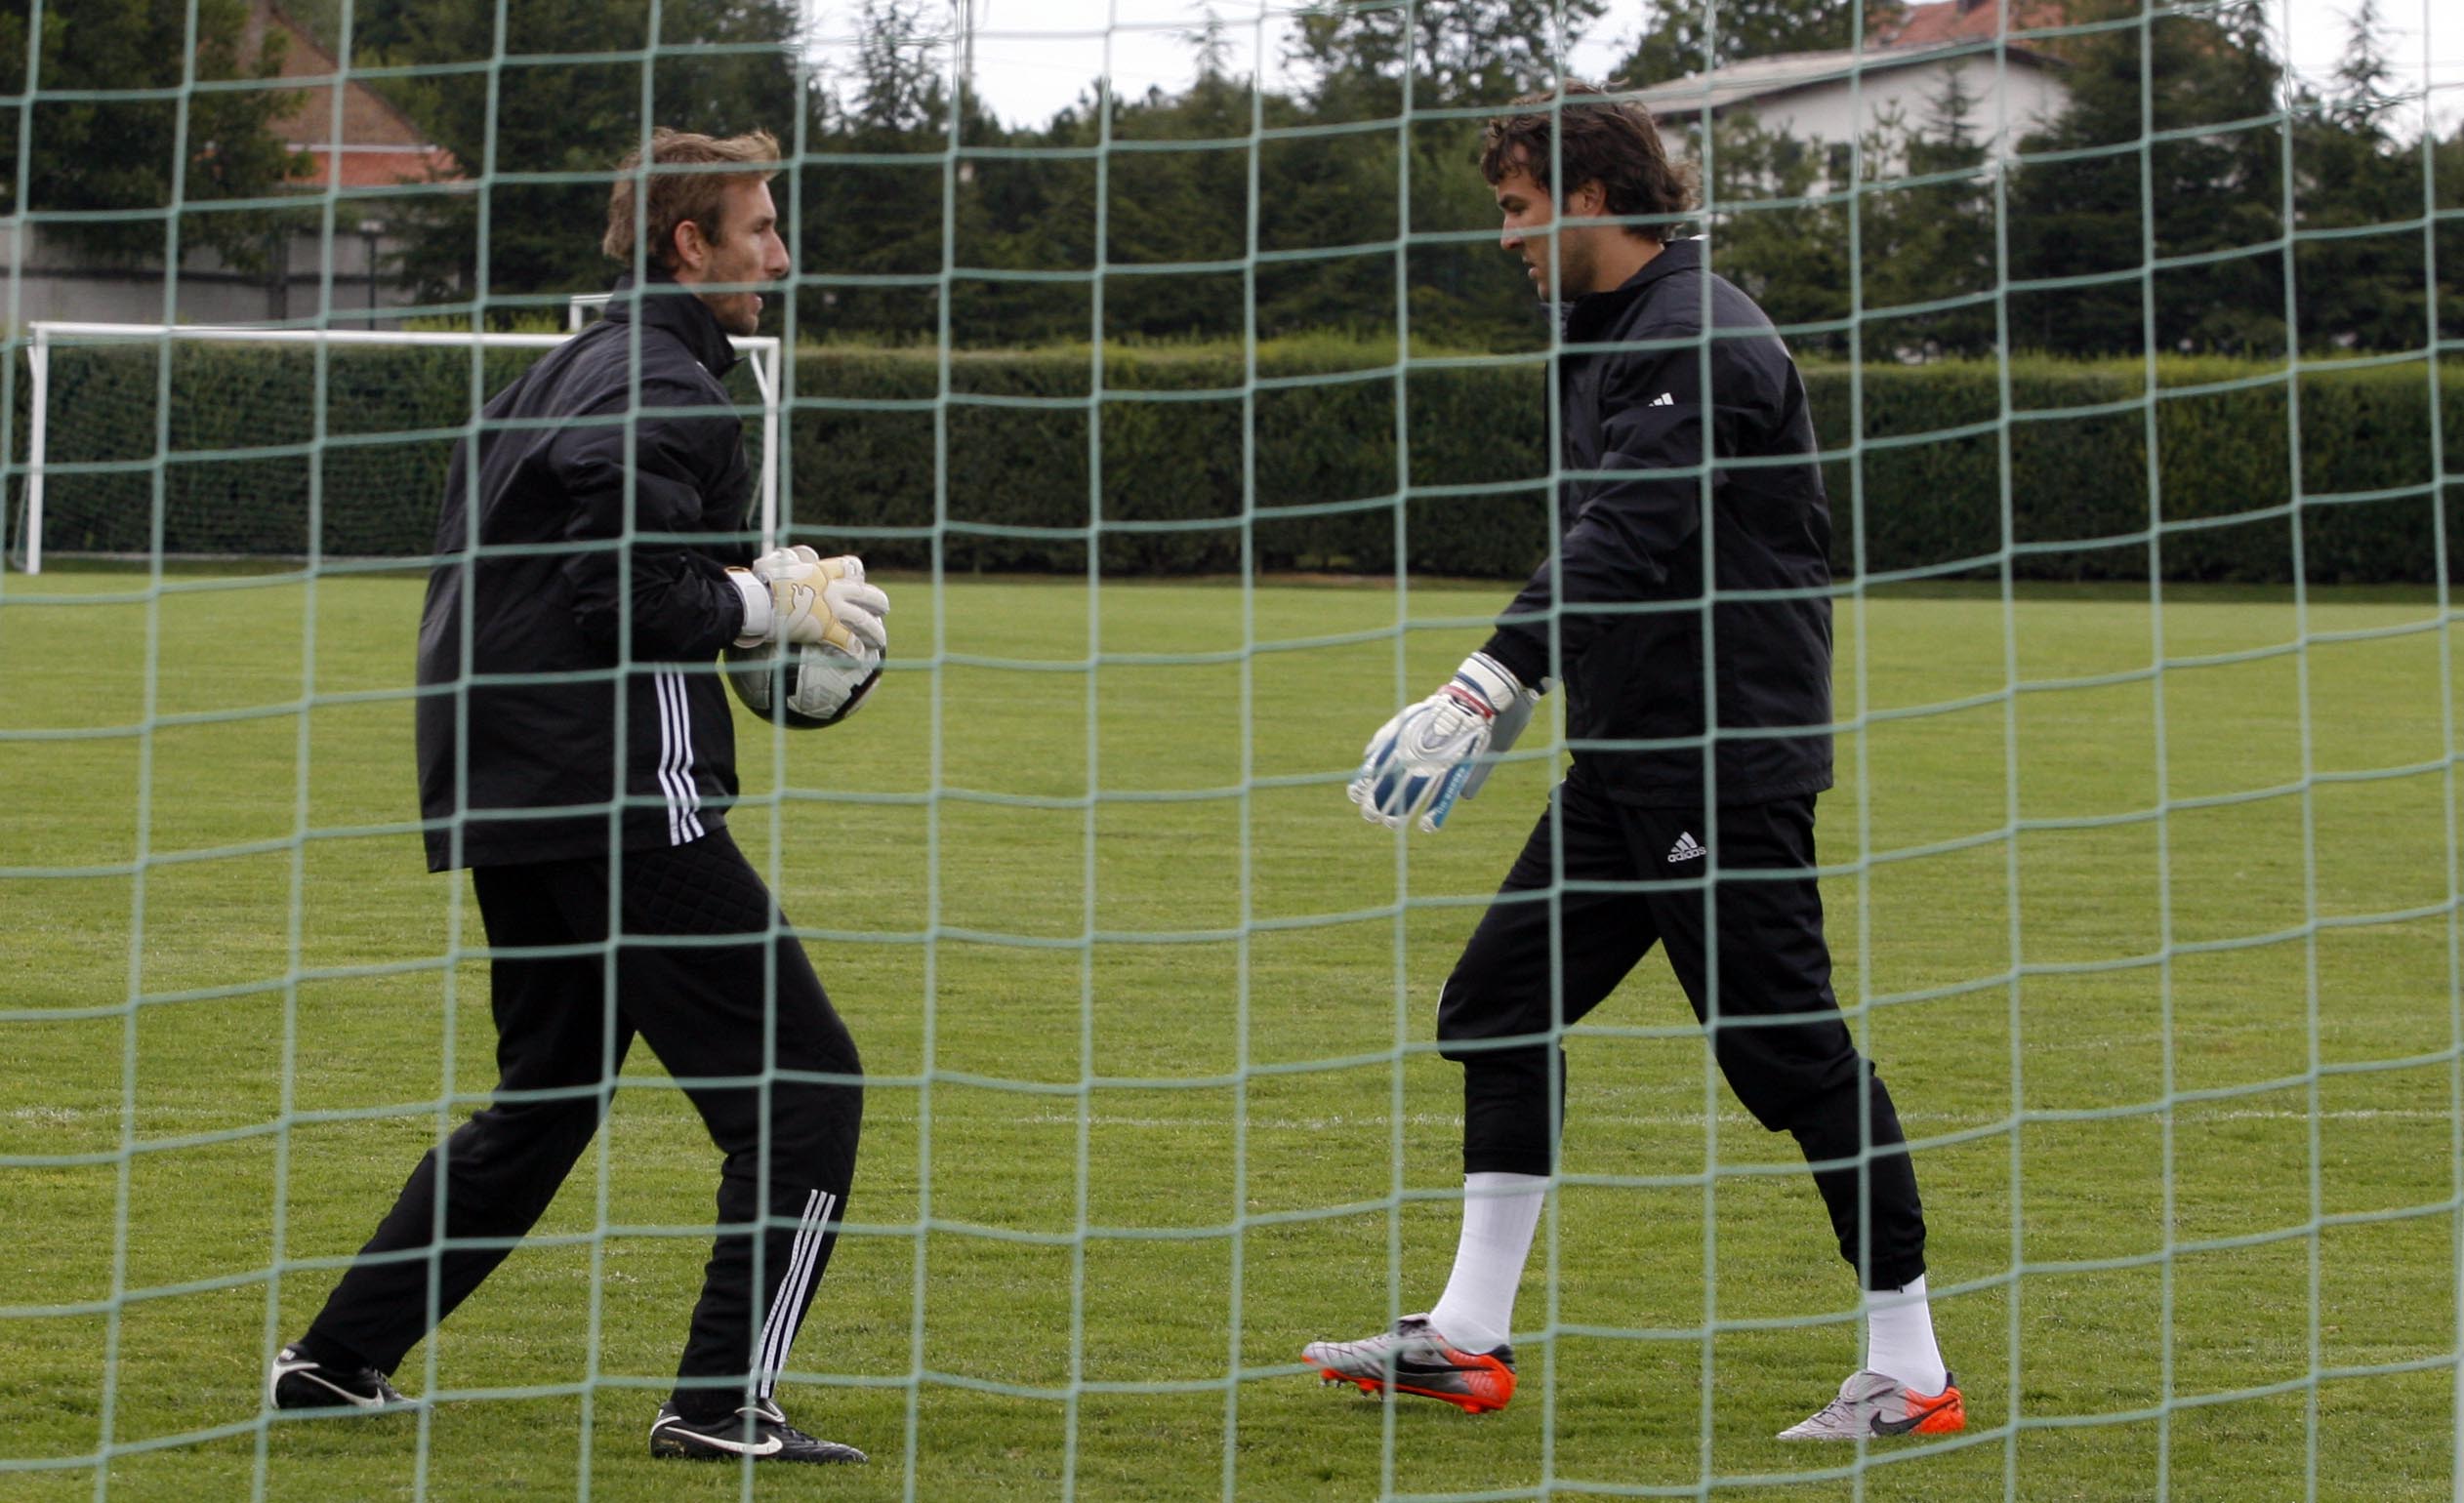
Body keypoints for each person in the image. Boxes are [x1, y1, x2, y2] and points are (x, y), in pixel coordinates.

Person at [1304, 84, 1963, 1442]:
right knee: (1496, 1001)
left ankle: (1914, 1370)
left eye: (1517, 207)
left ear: (1592, 197)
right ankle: (1468, 1337)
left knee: (1787, 1055)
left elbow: (1633, 529)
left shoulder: (1701, 332)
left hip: (1719, 768)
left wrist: (1493, 677)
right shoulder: (1614, 331)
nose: (1506, 237)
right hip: (1626, 768)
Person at [265, 128, 887, 1466]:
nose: (777, 253)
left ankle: (334, 1361)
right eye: (759, 229)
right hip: (620, 793)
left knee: (545, 1101)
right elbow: (639, 601)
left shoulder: (557, 371)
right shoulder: (668, 386)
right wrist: (767, 601)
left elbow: (582, 575)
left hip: (508, 791)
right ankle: (723, 1404)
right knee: (805, 1090)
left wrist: (754, 591)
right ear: (690, 243)